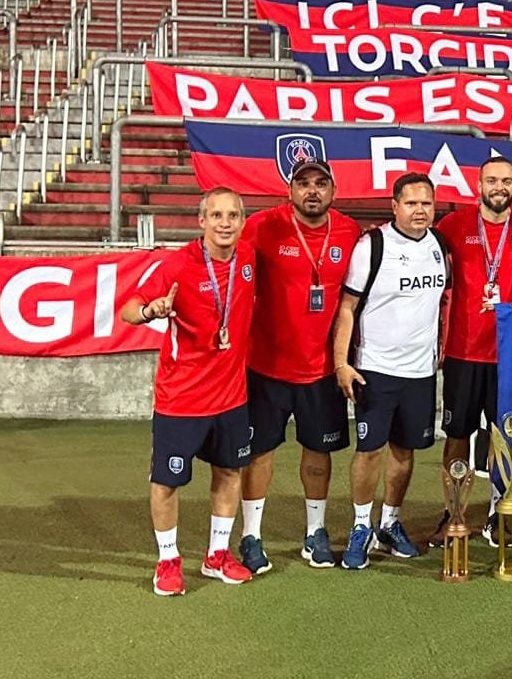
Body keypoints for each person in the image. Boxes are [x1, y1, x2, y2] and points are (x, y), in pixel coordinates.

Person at [123, 187, 257, 597]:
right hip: (182, 397)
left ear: (241, 221)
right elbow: (129, 307)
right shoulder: (179, 264)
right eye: (216, 215)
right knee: (167, 481)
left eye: (232, 215)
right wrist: (151, 311)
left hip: (232, 395)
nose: (224, 223)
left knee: (230, 472)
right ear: (201, 221)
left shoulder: (249, 259)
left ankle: (217, 555)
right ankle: (168, 560)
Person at [235, 158, 362, 574]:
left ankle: (315, 532)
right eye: (303, 183)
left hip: (322, 368)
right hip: (267, 366)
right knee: (259, 453)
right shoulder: (262, 226)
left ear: (333, 190)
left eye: (320, 184)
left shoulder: (349, 231)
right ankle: (251, 536)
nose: (312, 191)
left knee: (319, 453)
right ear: (289, 190)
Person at [331, 172, 449, 571]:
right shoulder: (373, 246)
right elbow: (347, 307)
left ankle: (390, 523)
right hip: (375, 369)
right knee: (369, 451)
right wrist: (342, 363)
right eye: (412, 203)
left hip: (420, 372)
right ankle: (361, 526)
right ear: (395, 206)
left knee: (405, 450)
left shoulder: (439, 245)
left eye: (427, 203)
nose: (420, 210)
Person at [433, 156, 512, 545]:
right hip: (463, 351)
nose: (499, 187)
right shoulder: (451, 226)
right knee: (457, 434)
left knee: (506, 436)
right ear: (478, 185)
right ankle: (454, 510)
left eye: (507, 181)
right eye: (492, 180)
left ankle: (499, 512)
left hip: (510, 353)